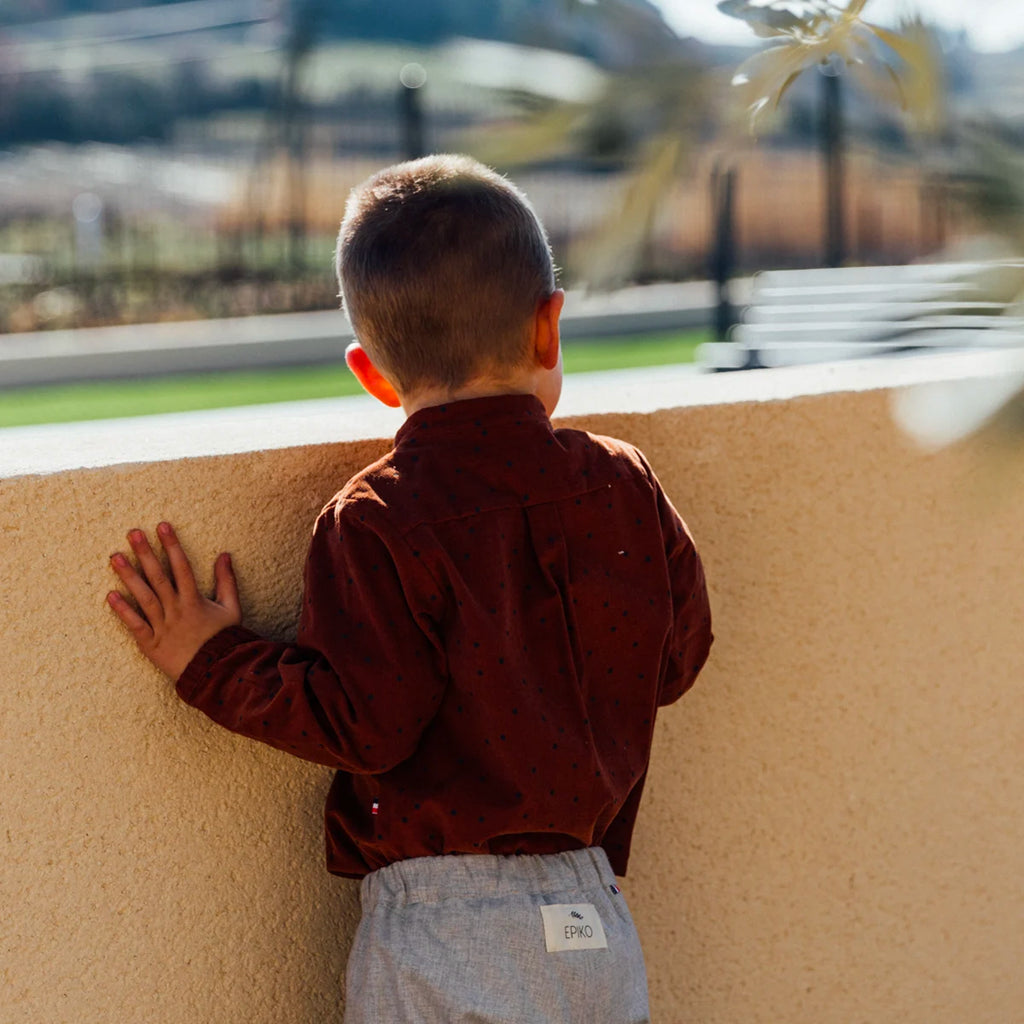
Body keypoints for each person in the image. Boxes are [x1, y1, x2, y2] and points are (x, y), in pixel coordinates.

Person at [106, 153, 713, 1024]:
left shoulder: (378, 518)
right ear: (549, 327)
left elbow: (367, 722)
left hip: (443, 932)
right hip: (596, 923)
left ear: (372, 374)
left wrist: (210, 662)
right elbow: (677, 657)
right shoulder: (623, 481)